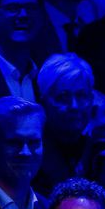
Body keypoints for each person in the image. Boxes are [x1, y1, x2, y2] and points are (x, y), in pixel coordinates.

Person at [35, 54, 95, 195]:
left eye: (81, 96)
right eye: (63, 97)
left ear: (92, 99)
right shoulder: (32, 153)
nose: (74, 106)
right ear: (43, 102)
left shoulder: (99, 149)